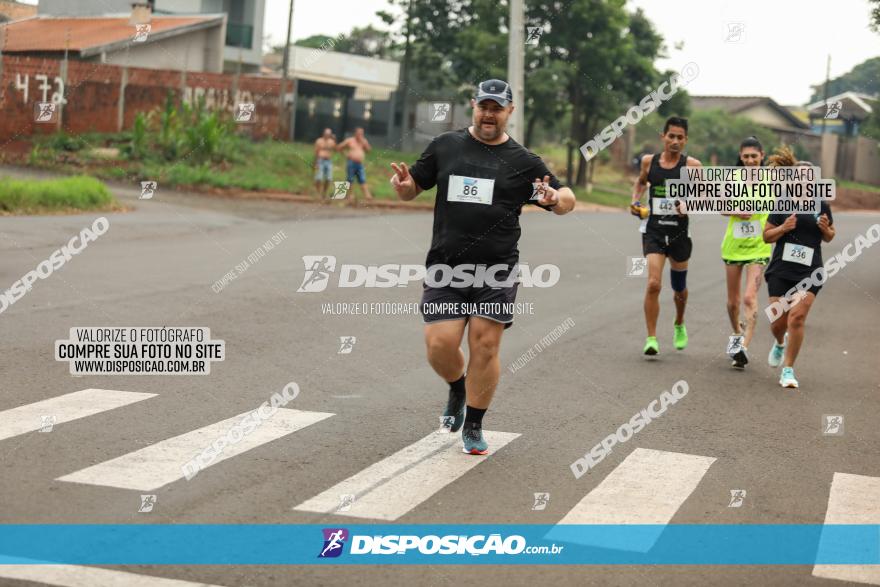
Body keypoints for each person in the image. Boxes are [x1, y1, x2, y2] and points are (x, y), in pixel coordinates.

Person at [388, 79, 576, 455]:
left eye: (497, 107)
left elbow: (566, 198)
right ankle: (458, 387)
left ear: (510, 111)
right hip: (447, 265)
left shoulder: (524, 162)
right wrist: (404, 185)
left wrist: (556, 199)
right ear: (473, 106)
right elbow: (414, 187)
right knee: (440, 344)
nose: (489, 114)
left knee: (485, 345)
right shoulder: (446, 146)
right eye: (483, 106)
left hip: (496, 269)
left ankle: (473, 424)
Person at [762, 146, 835, 388]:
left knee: (797, 318)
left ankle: (788, 370)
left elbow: (830, 236)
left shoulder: (821, 205)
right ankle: (780, 343)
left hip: (809, 271)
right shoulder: (782, 202)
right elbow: (766, 236)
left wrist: (825, 229)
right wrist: (783, 228)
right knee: (778, 323)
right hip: (781, 270)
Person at [630, 117, 702, 356]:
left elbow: (703, 197)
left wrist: (688, 205)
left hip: (680, 232)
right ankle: (651, 338)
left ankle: (679, 323)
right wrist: (634, 201)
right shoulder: (649, 162)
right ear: (663, 136)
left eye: (680, 137)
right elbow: (640, 184)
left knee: (679, 288)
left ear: (685, 140)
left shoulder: (692, 167)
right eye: (671, 136)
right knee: (653, 283)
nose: (675, 141)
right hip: (654, 230)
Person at [720, 136, 772, 368]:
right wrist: (735, 209)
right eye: (746, 157)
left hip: (759, 247)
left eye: (754, 156)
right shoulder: (733, 179)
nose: (750, 161)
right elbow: (719, 205)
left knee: (750, 298)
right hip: (733, 246)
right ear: (741, 158)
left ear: (762, 156)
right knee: (732, 303)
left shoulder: (772, 180)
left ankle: (743, 349)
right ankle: (737, 333)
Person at [337, 127, 373, 204]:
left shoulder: (363, 141)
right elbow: (340, 147)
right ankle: (351, 195)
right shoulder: (350, 140)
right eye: (359, 133)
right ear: (355, 133)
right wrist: (346, 154)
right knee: (350, 179)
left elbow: (369, 150)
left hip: (360, 164)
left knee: (362, 179)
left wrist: (365, 144)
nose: (361, 135)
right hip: (351, 162)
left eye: (362, 133)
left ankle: (367, 195)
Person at [313, 128, 336, 198]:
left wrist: (335, 140)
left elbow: (336, 149)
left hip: (328, 161)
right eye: (326, 134)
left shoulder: (332, 142)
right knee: (319, 178)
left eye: (329, 134)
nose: (327, 135)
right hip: (320, 160)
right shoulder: (319, 141)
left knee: (329, 178)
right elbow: (316, 152)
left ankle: (324, 192)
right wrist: (315, 162)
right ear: (323, 134)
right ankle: (318, 192)